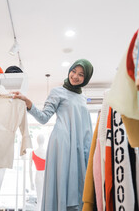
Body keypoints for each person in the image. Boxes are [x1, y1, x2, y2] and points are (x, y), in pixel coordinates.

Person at [14, 59, 94, 210]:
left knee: (80, 184)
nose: (75, 76)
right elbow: (43, 118)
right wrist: (29, 104)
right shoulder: (58, 92)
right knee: (63, 181)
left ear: (86, 78)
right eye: (73, 71)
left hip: (80, 144)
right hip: (62, 143)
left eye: (81, 74)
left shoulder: (83, 97)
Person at [29, 134, 46, 211]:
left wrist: (31, 182)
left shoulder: (33, 153)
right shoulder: (47, 152)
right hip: (44, 175)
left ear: (37, 141)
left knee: (40, 198)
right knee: (42, 198)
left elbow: (30, 168)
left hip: (39, 175)